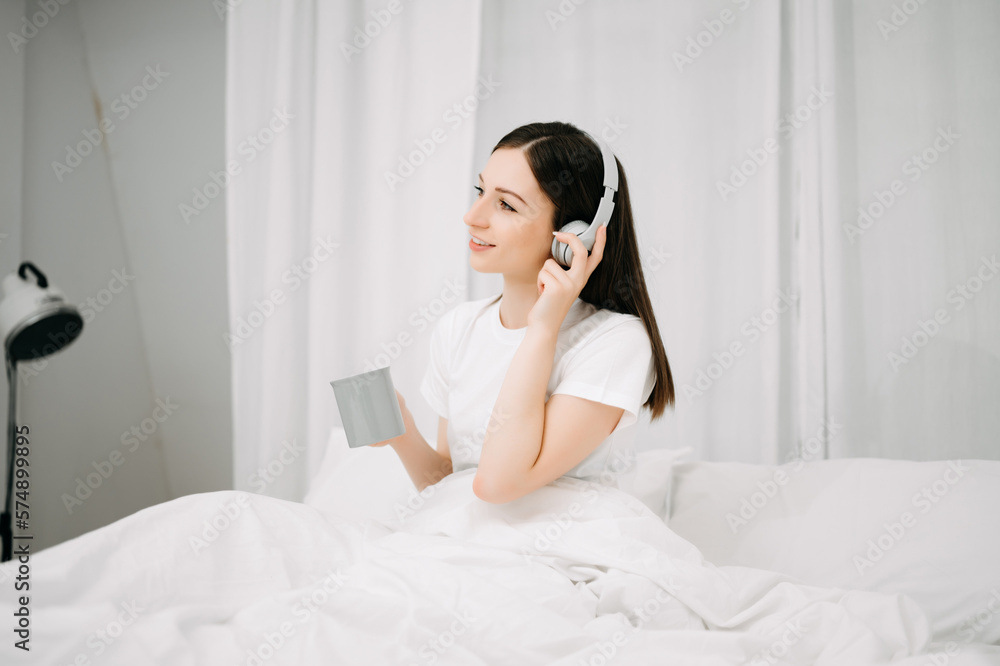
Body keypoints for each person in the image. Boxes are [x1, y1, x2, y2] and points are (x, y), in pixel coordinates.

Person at [375, 121, 675, 504]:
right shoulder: (459, 328)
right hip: (465, 543)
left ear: (576, 232)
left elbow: (499, 485)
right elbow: (451, 489)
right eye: (481, 191)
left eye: (505, 204)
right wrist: (402, 433)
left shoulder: (615, 341)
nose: (473, 216)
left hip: (559, 551)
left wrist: (543, 327)